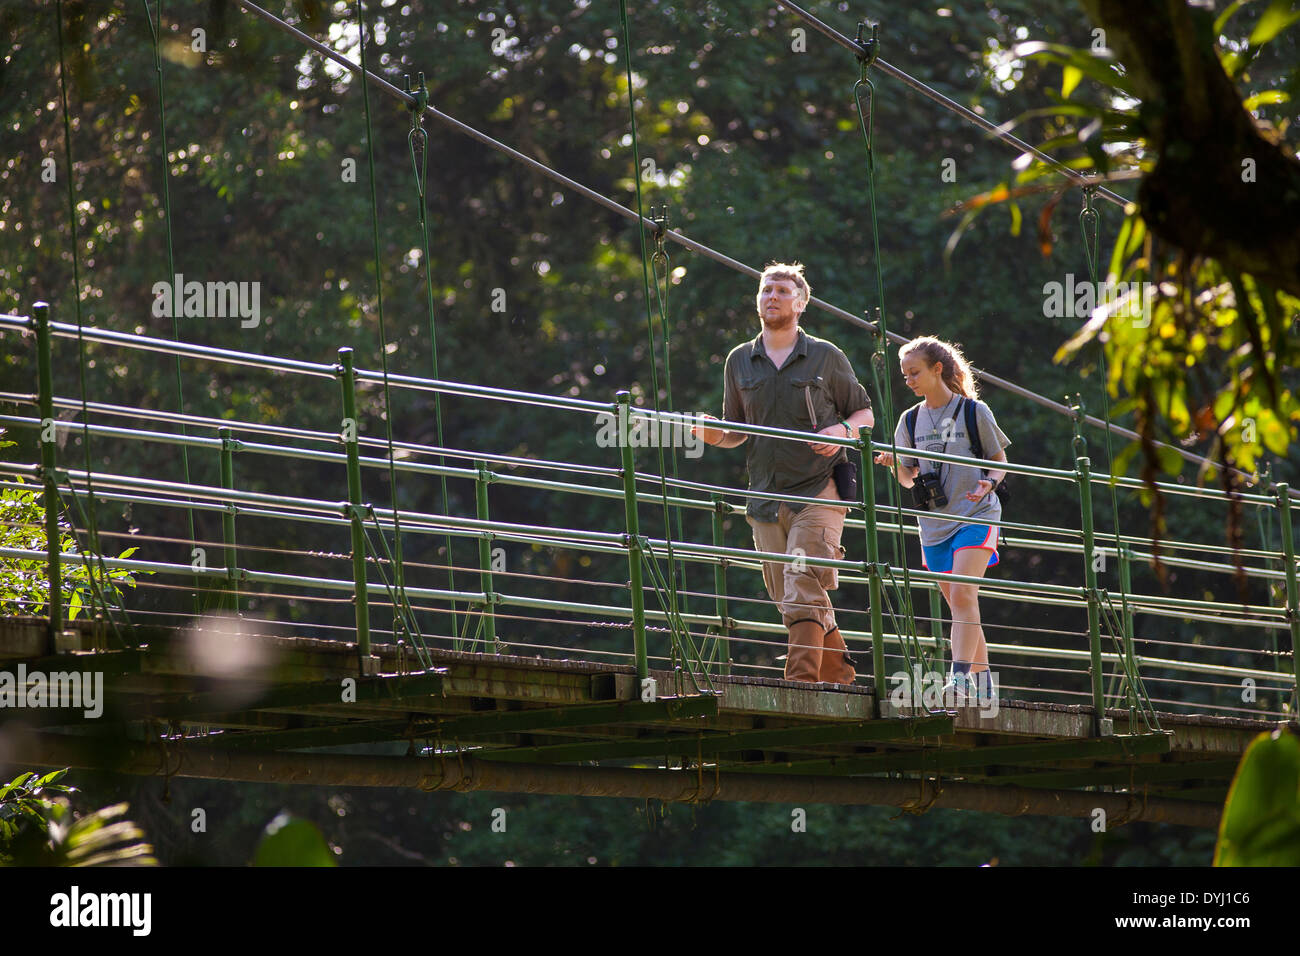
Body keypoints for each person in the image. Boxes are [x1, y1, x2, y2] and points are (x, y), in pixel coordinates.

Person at [693, 262, 874, 684]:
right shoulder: (739, 360)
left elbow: (865, 414)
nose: (771, 296)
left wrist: (843, 431)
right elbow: (736, 431)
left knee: (800, 581)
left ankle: (801, 685)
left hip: (819, 488)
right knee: (788, 596)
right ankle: (840, 676)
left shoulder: (827, 355)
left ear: (801, 302)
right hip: (765, 496)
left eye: (781, 290)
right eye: (765, 290)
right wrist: (711, 435)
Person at [873, 335, 1010, 705]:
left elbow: (1000, 461)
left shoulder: (973, 411)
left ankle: (959, 679)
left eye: (914, 372)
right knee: (960, 604)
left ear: (937, 369)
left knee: (964, 594)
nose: (909, 381)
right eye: (904, 376)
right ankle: (984, 687)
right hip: (933, 524)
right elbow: (907, 477)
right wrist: (896, 466)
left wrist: (989, 484)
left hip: (976, 514)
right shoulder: (910, 419)